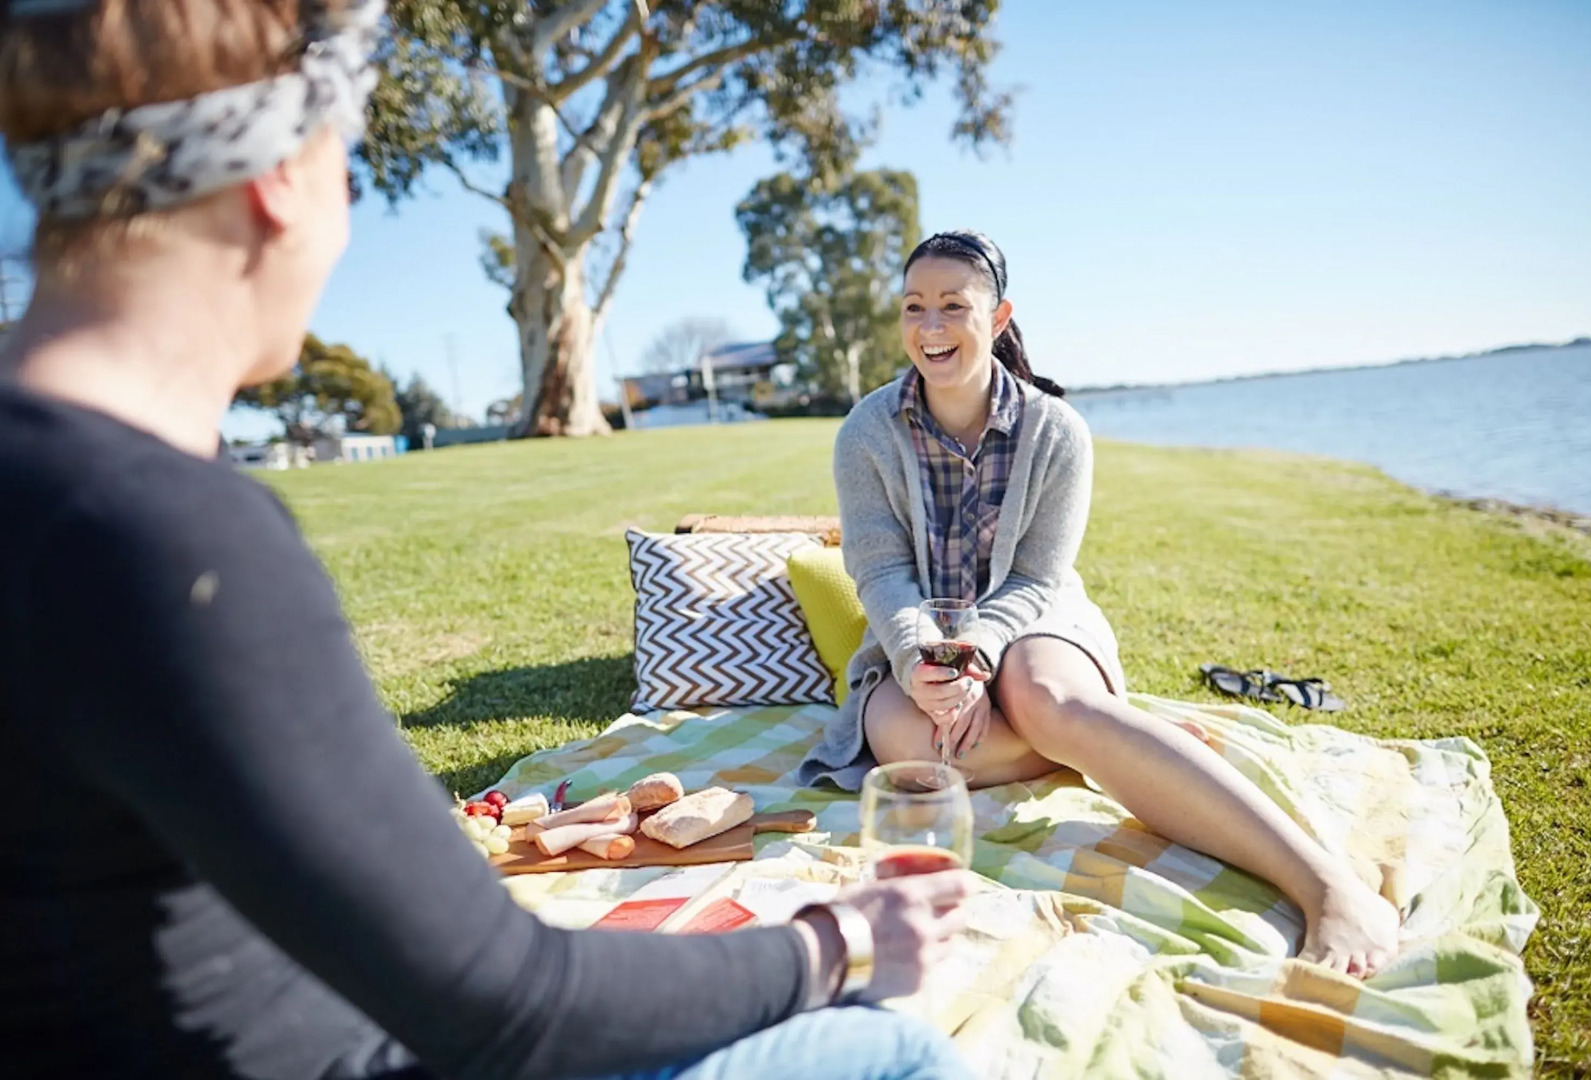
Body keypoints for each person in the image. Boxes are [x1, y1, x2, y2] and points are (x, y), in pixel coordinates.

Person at [0, 2, 974, 1077]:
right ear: (276, 180)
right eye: (347, 166)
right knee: (894, 1050)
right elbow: (510, 1005)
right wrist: (831, 941)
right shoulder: (163, 540)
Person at [797, 229, 1401, 978]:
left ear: (1000, 315)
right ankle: (1091, 745)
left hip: (1035, 619)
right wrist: (928, 660)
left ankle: (1326, 884)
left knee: (1046, 695)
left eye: (954, 306)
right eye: (914, 306)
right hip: (920, 638)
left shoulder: (1057, 432)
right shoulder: (866, 433)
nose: (930, 327)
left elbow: (1037, 578)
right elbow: (882, 572)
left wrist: (982, 656)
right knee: (910, 748)